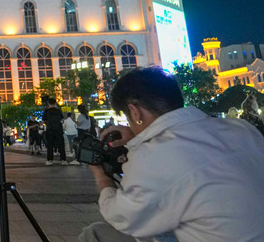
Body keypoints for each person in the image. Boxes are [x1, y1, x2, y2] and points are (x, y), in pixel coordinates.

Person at [79, 66, 264, 242]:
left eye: (128, 118)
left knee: (96, 233)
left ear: (135, 112)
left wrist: (101, 177)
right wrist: (138, 140)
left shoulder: (154, 155)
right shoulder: (241, 129)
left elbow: (122, 218)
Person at [42, 98, 66, 166]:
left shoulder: (46, 111)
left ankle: (49, 160)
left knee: (50, 145)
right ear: (55, 103)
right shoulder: (58, 111)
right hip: (58, 129)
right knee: (61, 145)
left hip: (50, 129)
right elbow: (62, 120)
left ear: (48, 103)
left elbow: (44, 120)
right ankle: (63, 160)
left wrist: (48, 123)